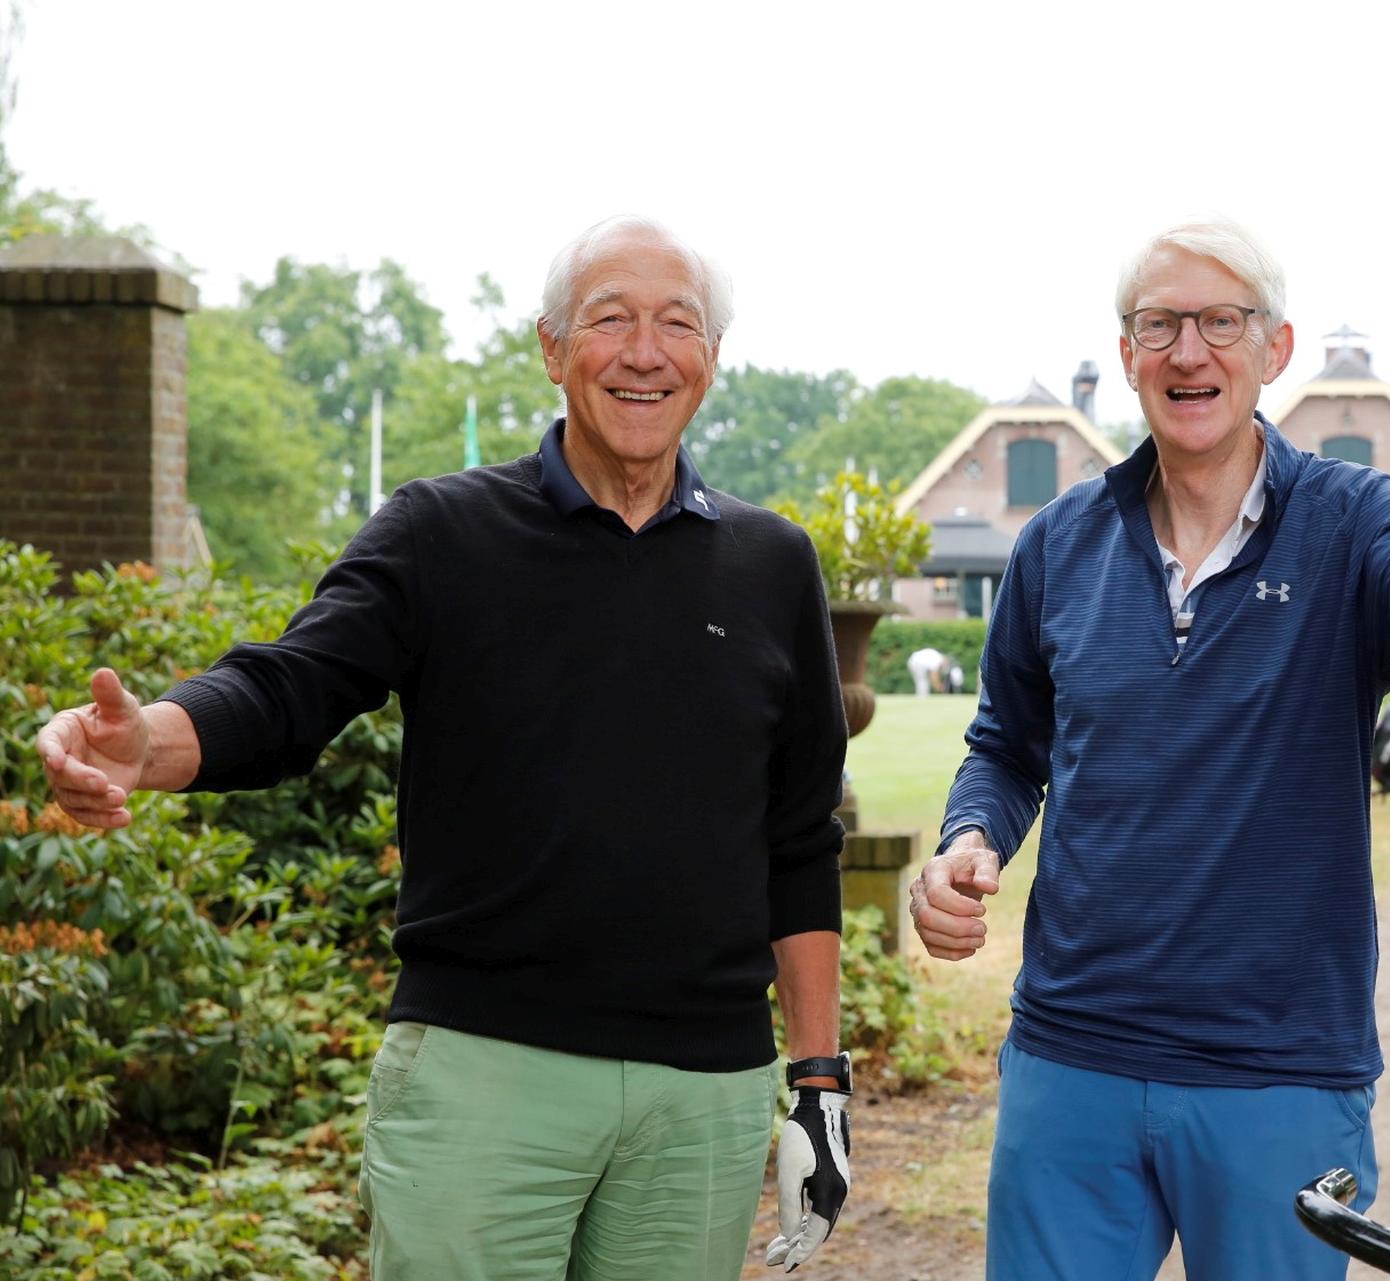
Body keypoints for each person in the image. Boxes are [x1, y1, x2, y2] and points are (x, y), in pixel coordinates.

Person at [36, 216, 853, 1281]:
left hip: (700, 1102)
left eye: (677, 324)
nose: (645, 352)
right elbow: (293, 686)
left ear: (712, 356)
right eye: (611, 320)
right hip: (484, 1081)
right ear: (553, 348)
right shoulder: (442, 532)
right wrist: (149, 741)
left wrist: (820, 1086)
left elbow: (800, 839)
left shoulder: (773, 563)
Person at [906, 220, 1390, 1281]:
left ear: (1275, 349)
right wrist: (969, 836)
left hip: (1278, 1073)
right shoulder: (1057, 543)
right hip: (1072, 1062)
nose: (1188, 351)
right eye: (1159, 325)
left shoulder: (1356, 522)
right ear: (1127, 354)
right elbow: (1007, 747)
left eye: (1221, 322)